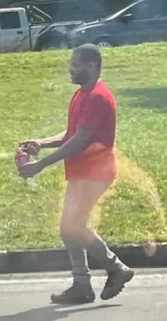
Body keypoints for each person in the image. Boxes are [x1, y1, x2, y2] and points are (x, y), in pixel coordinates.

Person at [18, 43, 135, 304]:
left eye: (76, 64)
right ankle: (82, 284)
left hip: (95, 173)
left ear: (92, 66)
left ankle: (115, 269)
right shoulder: (82, 94)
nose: (71, 68)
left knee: (73, 226)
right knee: (68, 228)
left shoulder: (98, 97)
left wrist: (40, 164)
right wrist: (42, 142)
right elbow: (72, 133)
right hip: (82, 173)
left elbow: (80, 140)